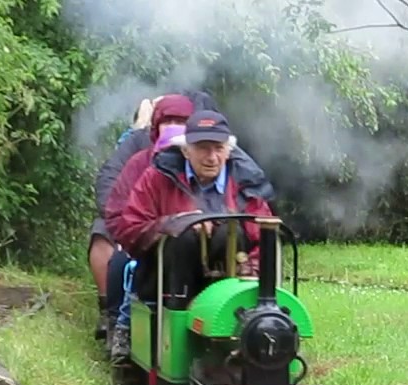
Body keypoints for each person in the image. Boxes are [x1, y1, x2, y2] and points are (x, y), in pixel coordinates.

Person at [89, 90, 273, 340]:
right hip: (163, 277)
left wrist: (251, 266)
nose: (211, 157)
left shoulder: (244, 180)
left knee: (232, 233)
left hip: (228, 283)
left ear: (228, 151)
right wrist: (174, 223)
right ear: (186, 150)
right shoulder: (156, 175)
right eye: (202, 148)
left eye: (218, 148)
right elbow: (128, 228)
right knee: (183, 237)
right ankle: (165, 324)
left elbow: (264, 235)